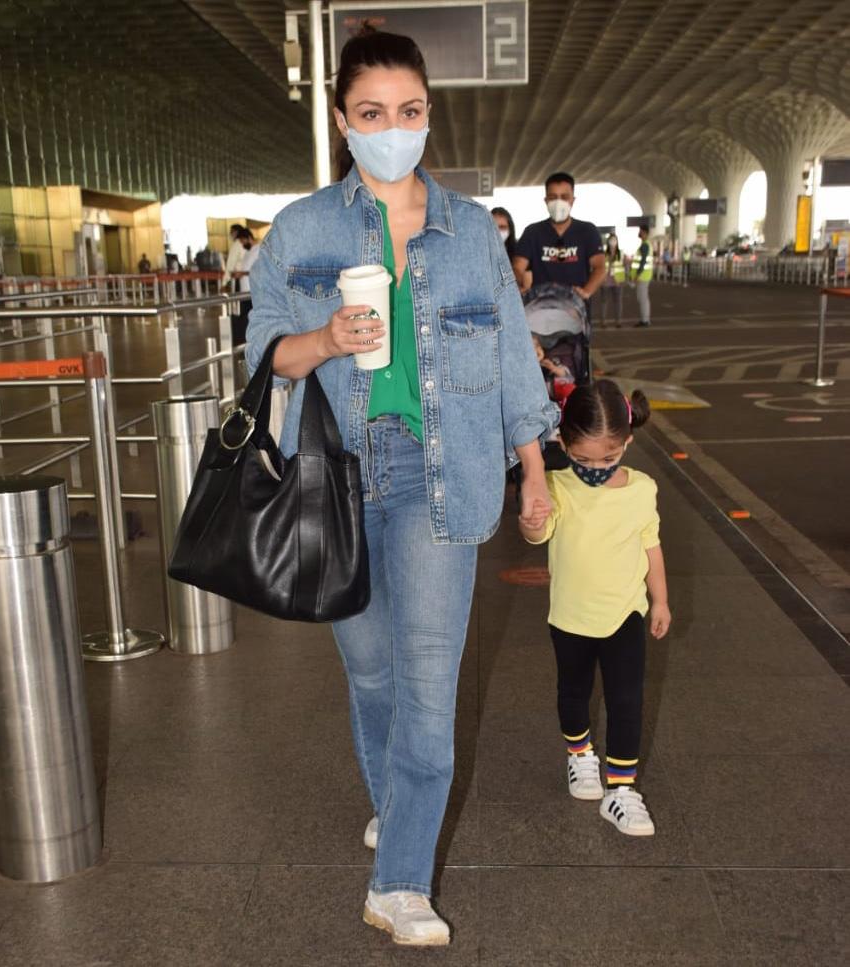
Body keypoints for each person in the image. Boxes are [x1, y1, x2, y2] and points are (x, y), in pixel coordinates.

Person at [246, 28, 557, 947]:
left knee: (427, 687)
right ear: (343, 121)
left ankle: (400, 881)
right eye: (373, 114)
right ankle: (401, 809)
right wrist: (326, 340)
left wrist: (534, 471)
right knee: (371, 674)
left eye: (410, 112)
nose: (394, 129)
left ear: (429, 114)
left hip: (440, 477)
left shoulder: (468, 234)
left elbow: (510, 361)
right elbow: (263, 353)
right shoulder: (303, 229)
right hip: (338, 480)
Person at [518, 378, 671, 837]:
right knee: (574, 692)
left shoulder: (642, 489)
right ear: (562, 443)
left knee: (627, 700)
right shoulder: (556, 485)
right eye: (582, 459)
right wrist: (530, 522)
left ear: (628, 442)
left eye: (608, 458)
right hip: (570, 616)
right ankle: (580, 755)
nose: (596, 469)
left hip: (625, 613)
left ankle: (622, 790)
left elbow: (652, 545)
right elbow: (537, 537)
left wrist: (659, 599)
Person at [513, 172, 606, 307]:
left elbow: (600, 267)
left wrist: (586, 291)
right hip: (540, 309)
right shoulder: (532, 232)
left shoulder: (587, 231)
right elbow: (517, 267)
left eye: (564, 197)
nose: (558, 202)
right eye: (553, 197)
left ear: (572, 200)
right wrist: (519, 285)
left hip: (576, 311)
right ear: (546, 200)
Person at [232, 228, 259, 344]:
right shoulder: (248, 252)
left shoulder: (259, 249)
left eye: (243, 241)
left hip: (253, 292)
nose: (242, 245)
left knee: (251, 319)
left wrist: (243, 273)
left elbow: (260, 270)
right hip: (244, 292)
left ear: (249, 238)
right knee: (244, 319)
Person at [491, 206, 523, 286]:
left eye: (502, 227)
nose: (498, 231)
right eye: (494, 227)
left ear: (510, 230)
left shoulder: (520, 253)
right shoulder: (477, 254)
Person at [599, 233, 625, 327]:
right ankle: (603, 321)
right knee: (604, 302)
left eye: (614, 240)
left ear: (617, 242)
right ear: (608, 242)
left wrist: (622, 279)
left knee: (618, 302)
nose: (613, 242)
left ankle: (618, 321)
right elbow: (600, 267)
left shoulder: (621, 253)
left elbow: (624, 267)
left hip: (617, 281)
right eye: (611, 240)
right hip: (605, 281)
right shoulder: (603, 254)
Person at [631, 225, 654, 327]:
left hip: (642, 276)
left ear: (644, 232)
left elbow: (643, 261)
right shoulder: (646, 244)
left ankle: (645, 320)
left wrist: (637, 274)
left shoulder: (645, 245)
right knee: (643, 298)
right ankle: (645, 319)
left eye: (640, 231)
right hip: (644, 276)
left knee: (643, 298)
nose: (639, 233)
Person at [222, 222, 245, 288]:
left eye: (231, 231)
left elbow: (230, 265)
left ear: (237, 232)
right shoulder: (246, 244)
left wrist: (224, 283)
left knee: (240, 297)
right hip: (249, 277)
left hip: (239, 278)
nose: (230, 234)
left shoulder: (236, 245)